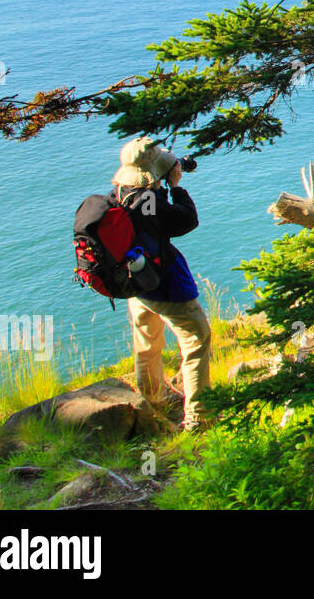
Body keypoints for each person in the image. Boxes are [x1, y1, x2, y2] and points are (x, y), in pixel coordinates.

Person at [110, 136, 212, 432]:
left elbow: (150, 224)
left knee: (147, 344)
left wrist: (158, 187)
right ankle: (199, 416)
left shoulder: (119, 193)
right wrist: (176, 186)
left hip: (135, 283)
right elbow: (186, 221)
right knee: (196, 339)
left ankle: (154, 400)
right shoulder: (149, 201)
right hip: (163, 283)